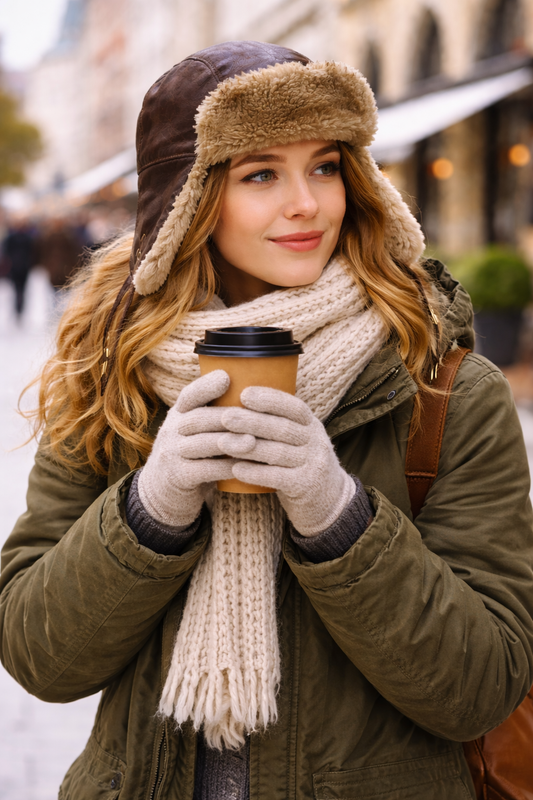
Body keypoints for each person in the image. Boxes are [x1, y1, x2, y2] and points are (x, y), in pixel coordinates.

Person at [1, 41, 532, 800]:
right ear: (190, 201)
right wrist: (150, 510)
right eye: (260, 175)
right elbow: (40, 658)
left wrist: (337, 514)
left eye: (325, 165)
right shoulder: (112, 373)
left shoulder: (444, 387)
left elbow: (482, 687)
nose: (307, 204)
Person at [2, 215, 36, 320]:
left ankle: (19, 309)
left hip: (22, 267)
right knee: (18, 290)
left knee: (20, 290)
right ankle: (18, 309)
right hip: (17, 267)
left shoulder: (26, 238)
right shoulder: (12, 238)